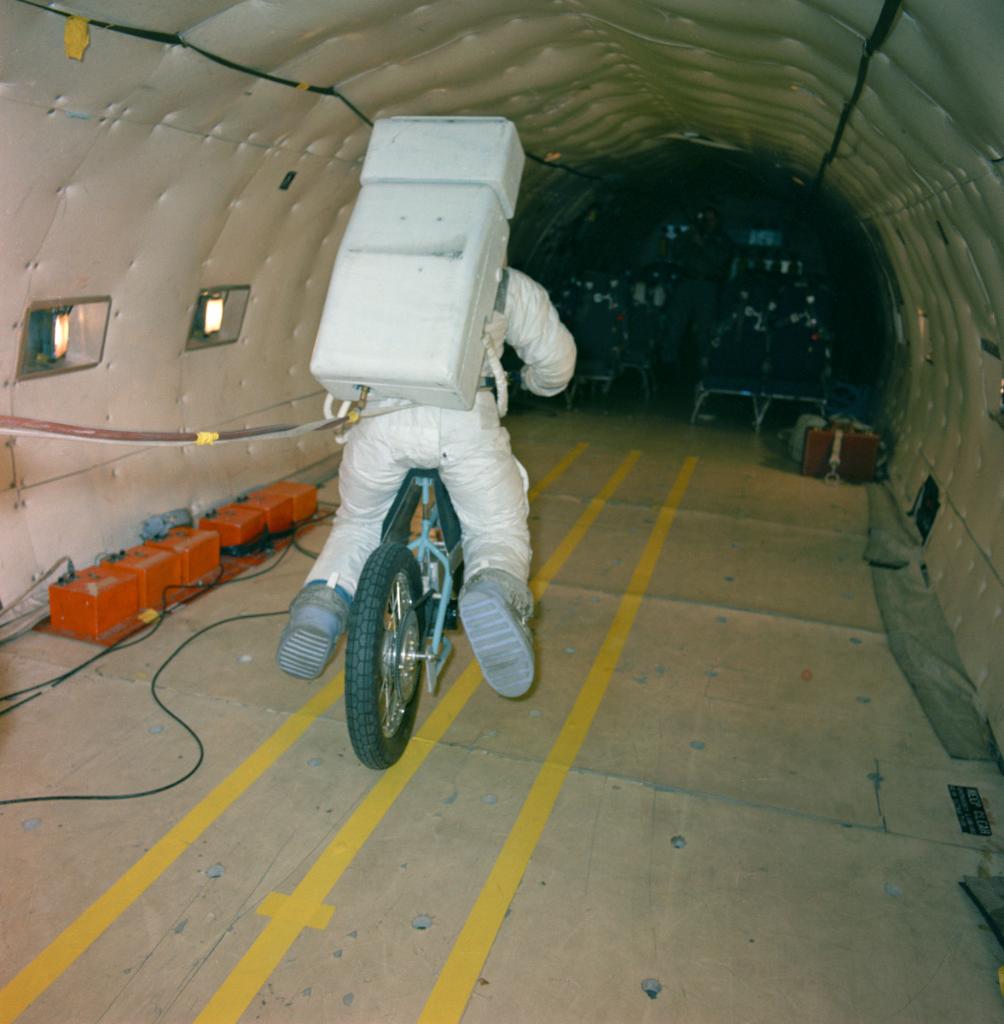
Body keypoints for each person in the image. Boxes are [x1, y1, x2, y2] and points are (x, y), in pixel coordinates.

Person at [276, 267, 576, 698]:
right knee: (494, 529)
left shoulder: (368, 269)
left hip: (381, 416)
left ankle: (322, 605)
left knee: (359, 524)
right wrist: (534, 382)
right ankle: (491, 586)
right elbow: (556, 362)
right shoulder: (504, 282)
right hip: (464, 416)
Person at [664, 206, 734, 370]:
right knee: (675, 323)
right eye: (705, 219)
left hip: (708, 286)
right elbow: (675, 252)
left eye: (711, 219)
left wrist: (702, 244)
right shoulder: (692, 235)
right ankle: (668, 363)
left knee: (704, 327)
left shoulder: (722, 240)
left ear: (717, 221)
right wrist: (687, 235)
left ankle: (704, 364)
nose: (707, 223)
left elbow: (720, 259)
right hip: (687, 282)